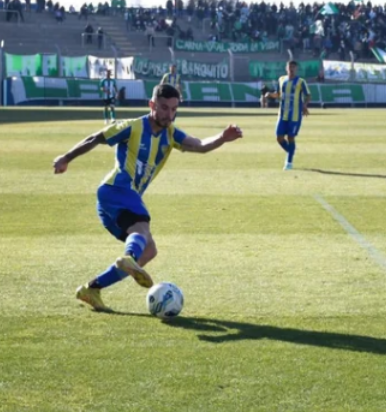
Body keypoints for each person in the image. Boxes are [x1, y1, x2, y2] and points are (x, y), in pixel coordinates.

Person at [53, 84, 243, 311]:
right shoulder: (133, 127)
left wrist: (222, 137)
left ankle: (91, 288)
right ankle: (129, 257)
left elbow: (200, 145)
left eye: (174, 109)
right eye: (164, 108)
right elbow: (96, 137)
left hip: (118, 201)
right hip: (116, 189)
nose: (169, 114)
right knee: (142, 227)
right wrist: (66, 157)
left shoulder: (171, 133)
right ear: (151, 105)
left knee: (150, 250)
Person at [263, 61, 311, 170]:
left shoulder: (300, 82)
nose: (292, 69)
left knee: (290, 137)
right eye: (290, 67)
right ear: (286, 68)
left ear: (296, 69)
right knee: (279, 138)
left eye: (294, 67)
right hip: (282, 114)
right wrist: (270, 94)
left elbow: (308, 95)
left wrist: (304, 105)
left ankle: (289, 162)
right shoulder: (281, 80)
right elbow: (279, 94)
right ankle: (291, 151)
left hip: (294, 115)